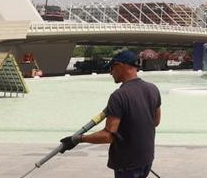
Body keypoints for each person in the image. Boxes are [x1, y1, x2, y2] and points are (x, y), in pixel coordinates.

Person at [59, 50, 161, 178]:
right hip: (146, 159)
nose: (110, 73)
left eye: (112, 68)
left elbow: (108, 136)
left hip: (127, 164)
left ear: (120, 66)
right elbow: (155, 122)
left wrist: (77, 139)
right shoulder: (153, 89)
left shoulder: (119, 96)